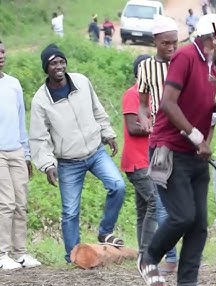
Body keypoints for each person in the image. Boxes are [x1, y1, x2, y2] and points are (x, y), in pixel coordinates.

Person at [138, 13, 216, 286]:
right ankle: (149, 257)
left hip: (196, 154)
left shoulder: (211, 66)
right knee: (182, 216)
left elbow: (201, 103)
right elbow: (168, 103)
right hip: (169, 149)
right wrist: (196, 137)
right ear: (209, 37)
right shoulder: (185, 57)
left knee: (200, 223)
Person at [29, 43, 126, 263]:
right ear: (47, 68)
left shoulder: (81, 82)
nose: (59, 67)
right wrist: (47, 165)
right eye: (53, 63)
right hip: (68, 162)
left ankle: (105, 231)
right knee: (70, 212)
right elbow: (39, 137)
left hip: (95, 151)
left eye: (62, 62)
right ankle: (73, 257)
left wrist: (108, 133)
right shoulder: (41, 101)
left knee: (117, 185)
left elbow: (97, 110)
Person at [136, 15, 180, 274]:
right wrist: (144, 118)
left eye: (175, 42)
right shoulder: (147, 68)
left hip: (185, 141)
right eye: (166, 43)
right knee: (162, 201)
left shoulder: (185, 63)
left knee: (187, 203)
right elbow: (142, 102)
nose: (172, 48)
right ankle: (171, 258)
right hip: (160, 141)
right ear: (155, 42)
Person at [0, 40, 41, 270]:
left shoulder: (13, 84)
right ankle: (2, 253)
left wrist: (26, 155)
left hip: (15, 149)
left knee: (21, 202)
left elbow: (20, 121)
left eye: (3, 51)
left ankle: (20, 253)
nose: (1, 55)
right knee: (5, 202)